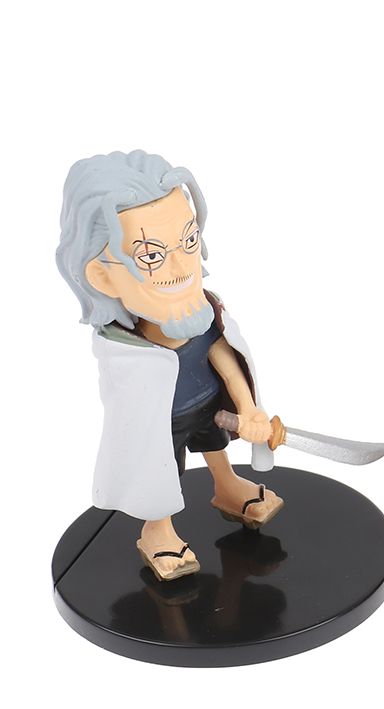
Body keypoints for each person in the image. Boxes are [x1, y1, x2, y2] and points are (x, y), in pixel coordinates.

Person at [57, 151, 282, 580]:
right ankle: (157, 530)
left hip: (209, 407)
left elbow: (225, 357)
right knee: (160, 472)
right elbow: (131, 422)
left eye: (189, 241)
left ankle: (226, 485)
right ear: (102, 275)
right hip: (161, 427)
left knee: (214, 443)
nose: (183, 267)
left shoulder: (204, 314)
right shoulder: (124, 351)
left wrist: (248, 408)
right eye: (151, 256)